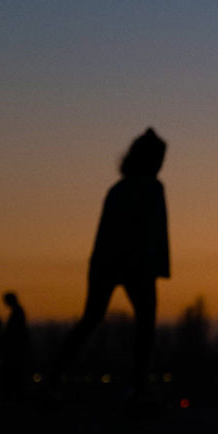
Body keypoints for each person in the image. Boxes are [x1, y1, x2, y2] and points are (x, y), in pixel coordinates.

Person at [53, 128, 170, 398]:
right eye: (159, 158)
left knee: (91, 319)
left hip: (106, 263)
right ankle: (139, 388)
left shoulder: (118, 188)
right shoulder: (152, 188)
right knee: (145, 324)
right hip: (136, 264)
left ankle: (53, 377)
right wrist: (152, 268)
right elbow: (154, 233)